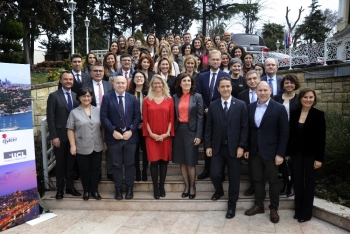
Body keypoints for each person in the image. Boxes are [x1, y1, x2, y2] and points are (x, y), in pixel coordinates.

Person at [244, 81, 289, 224]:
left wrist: (280, 154)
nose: (262, 93)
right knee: (257, 179)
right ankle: (259, 205)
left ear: (270, 91)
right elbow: (247, 130)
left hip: (272, 152)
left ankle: (273, 208)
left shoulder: (279, 108)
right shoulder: (250, 107)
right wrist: (245, 148)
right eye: (260, 90)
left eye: (265, 90)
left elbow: (284, 132)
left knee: (273, 181)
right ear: (256, 92)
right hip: (255, 150)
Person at [206, 77, 248, 219]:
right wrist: (208, 145)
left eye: (227, 86)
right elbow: (209, 127)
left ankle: (232, 205)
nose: (225, 89)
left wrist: (242, 146)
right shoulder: (213, 105)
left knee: (234, 178)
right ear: (218, 89)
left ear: (231, 87)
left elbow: (244, 128)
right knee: (215, 174)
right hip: (217, 148)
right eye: (222, 87)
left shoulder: (241, 105)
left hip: (234, 149)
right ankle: (219, 191)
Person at [286, 88, 325, 223]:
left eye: (311, 97)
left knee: (309, 184)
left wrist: (319, 159)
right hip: (296, 155)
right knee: (297, 183)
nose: (308, 100)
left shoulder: (319, 115)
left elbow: (321, 139)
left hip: (311, 156)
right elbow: (291, 135)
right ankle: (298, 211)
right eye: (305, 97)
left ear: (314, 99)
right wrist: (288, 153)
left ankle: (306, 213)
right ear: (300, 99)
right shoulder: (294, 113)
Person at [100, 76, 141, 200]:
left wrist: (131, 130)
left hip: (130, 138)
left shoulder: (132, 98)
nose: (121, 85)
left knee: (130, 164)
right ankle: (118, 189)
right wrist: (112, 131)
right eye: (118, 83)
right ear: (113, 84)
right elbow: (103, 117)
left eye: (123, 83)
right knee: (116, 165)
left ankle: (129, 189)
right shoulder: (107, 98)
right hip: (114, 138)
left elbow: (137, 117)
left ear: (126, 84)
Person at [66, 87, 105, 201]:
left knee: (95, 169)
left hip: (97, 145)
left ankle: (95, 191)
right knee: (84, 170)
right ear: (79, 98)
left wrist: (104, 141)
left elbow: (102, 127)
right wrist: (73, 145)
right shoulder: (74, 112)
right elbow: (70, 129)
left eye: (88, 96)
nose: (86, 98)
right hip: (82, 145)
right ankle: (86, 191)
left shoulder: (97, 110)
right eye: (84, 96)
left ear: (91, 97)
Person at [196, 49, 229, 180]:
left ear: (221, 61)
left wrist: (214, 109)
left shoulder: (225, 76)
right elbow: (198, 94)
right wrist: (205, 108)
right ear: (208, 60)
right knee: (207, 142)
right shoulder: (202, 76)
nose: (215, 61)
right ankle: (207, 169)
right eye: (213, 59)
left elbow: (226, 95)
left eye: (217, 59)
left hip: (220, 115)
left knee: (220, 143)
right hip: (204, 115)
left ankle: (220, 171)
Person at [47, 71, 80, 199]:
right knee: (60, 164)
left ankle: (70, 187)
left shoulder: (76, 96)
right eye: (66, 79)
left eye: (70, 79)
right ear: (61, 81)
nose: (68, 81)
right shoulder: (54, 96)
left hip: (74, 137)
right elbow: (51, 118)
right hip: (59, 137)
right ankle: (60, 189)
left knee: (71, 164)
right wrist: (54, 136)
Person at [142, 74, 175, 199]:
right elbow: (145, 120)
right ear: (151, 85)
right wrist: (152, 134)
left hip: (165, 136)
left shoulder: (169, 100)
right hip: (152, 136)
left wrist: (166, 134)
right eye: (155, 83)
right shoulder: (146, 100)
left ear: (163, 84)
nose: (157, 85)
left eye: (159, 83)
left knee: (164, 162)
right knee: (154, 162)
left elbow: (171, 118)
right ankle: (155, 187)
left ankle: (162, 186)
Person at [172, 73, 203, 199]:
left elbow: (200, 117)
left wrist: (198, 135)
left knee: (190, 162)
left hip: (192, 132)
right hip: (179, 131)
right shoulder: (174, 97)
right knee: (182, 161)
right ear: (180, 83)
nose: (186, 83)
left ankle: (192, 186)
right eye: (184, 81)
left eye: (189, 81)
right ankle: (186, 185)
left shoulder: (197, 97)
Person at [273, 74, 300, 197]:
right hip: (279, 134)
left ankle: (293, 185)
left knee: (293, 161)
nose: (289, 85)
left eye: (291, 83)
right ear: (283, 85)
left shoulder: (300, 99)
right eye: (287, 83)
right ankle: (285, 184)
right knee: (282, 161)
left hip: (295, 135)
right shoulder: (276, 98)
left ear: (295, 84)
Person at [237, 70, 261, 197]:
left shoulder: (264, 93)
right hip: (248, 133)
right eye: (249, 79)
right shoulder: (241, 95)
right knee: (252, 162)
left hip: (262, 134)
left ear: (259, 79)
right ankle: (252, 185)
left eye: (254, 78)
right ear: (246, 82)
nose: (252, 81)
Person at [128, 71, 150, 182]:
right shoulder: (129, 93)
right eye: (136, 77)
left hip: (147, 125)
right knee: (134, 151)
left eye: (141, 77)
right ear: (133, 80)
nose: (139, 78)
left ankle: (145, 170)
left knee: (146, 150)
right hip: (133, 126)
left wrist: (145, 123)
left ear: (144, 79)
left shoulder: (149, 93)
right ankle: (137, 171)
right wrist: (134, 124)